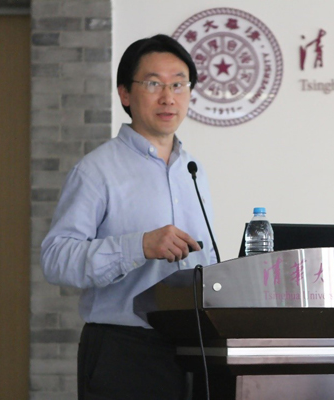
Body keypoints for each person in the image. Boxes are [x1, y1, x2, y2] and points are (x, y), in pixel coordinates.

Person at [41, 34, 217, 400]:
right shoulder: (96, 170)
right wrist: (139, 246)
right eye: (153, 84)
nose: (168, 97)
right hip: (123, 352)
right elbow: (56, 259)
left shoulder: (193, 170)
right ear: (124, 93)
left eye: (179, 84)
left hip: (192, 349)